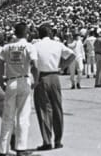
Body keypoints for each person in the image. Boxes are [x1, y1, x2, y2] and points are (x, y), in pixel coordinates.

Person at [32, 23, 72, 151]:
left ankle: (47, 140)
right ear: (50, 33)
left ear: (39, 34)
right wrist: (62, 67)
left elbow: (32, 64)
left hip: (42, 76)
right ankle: (58, 140)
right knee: (57, 108)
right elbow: (72, 55)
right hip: (54, 76)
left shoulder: (35, 46)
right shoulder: (57, 44)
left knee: (44, 109)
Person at [0, 22, 37, 156]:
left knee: (7, 117)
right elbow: (35, 65)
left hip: (10, 80)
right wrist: (35, 81)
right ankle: (21, 148)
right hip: (24, 79)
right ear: (26, 33)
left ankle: (3, 149)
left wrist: (0, 80)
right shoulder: (29, 46)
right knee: (23, 116)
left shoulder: (7, 47)